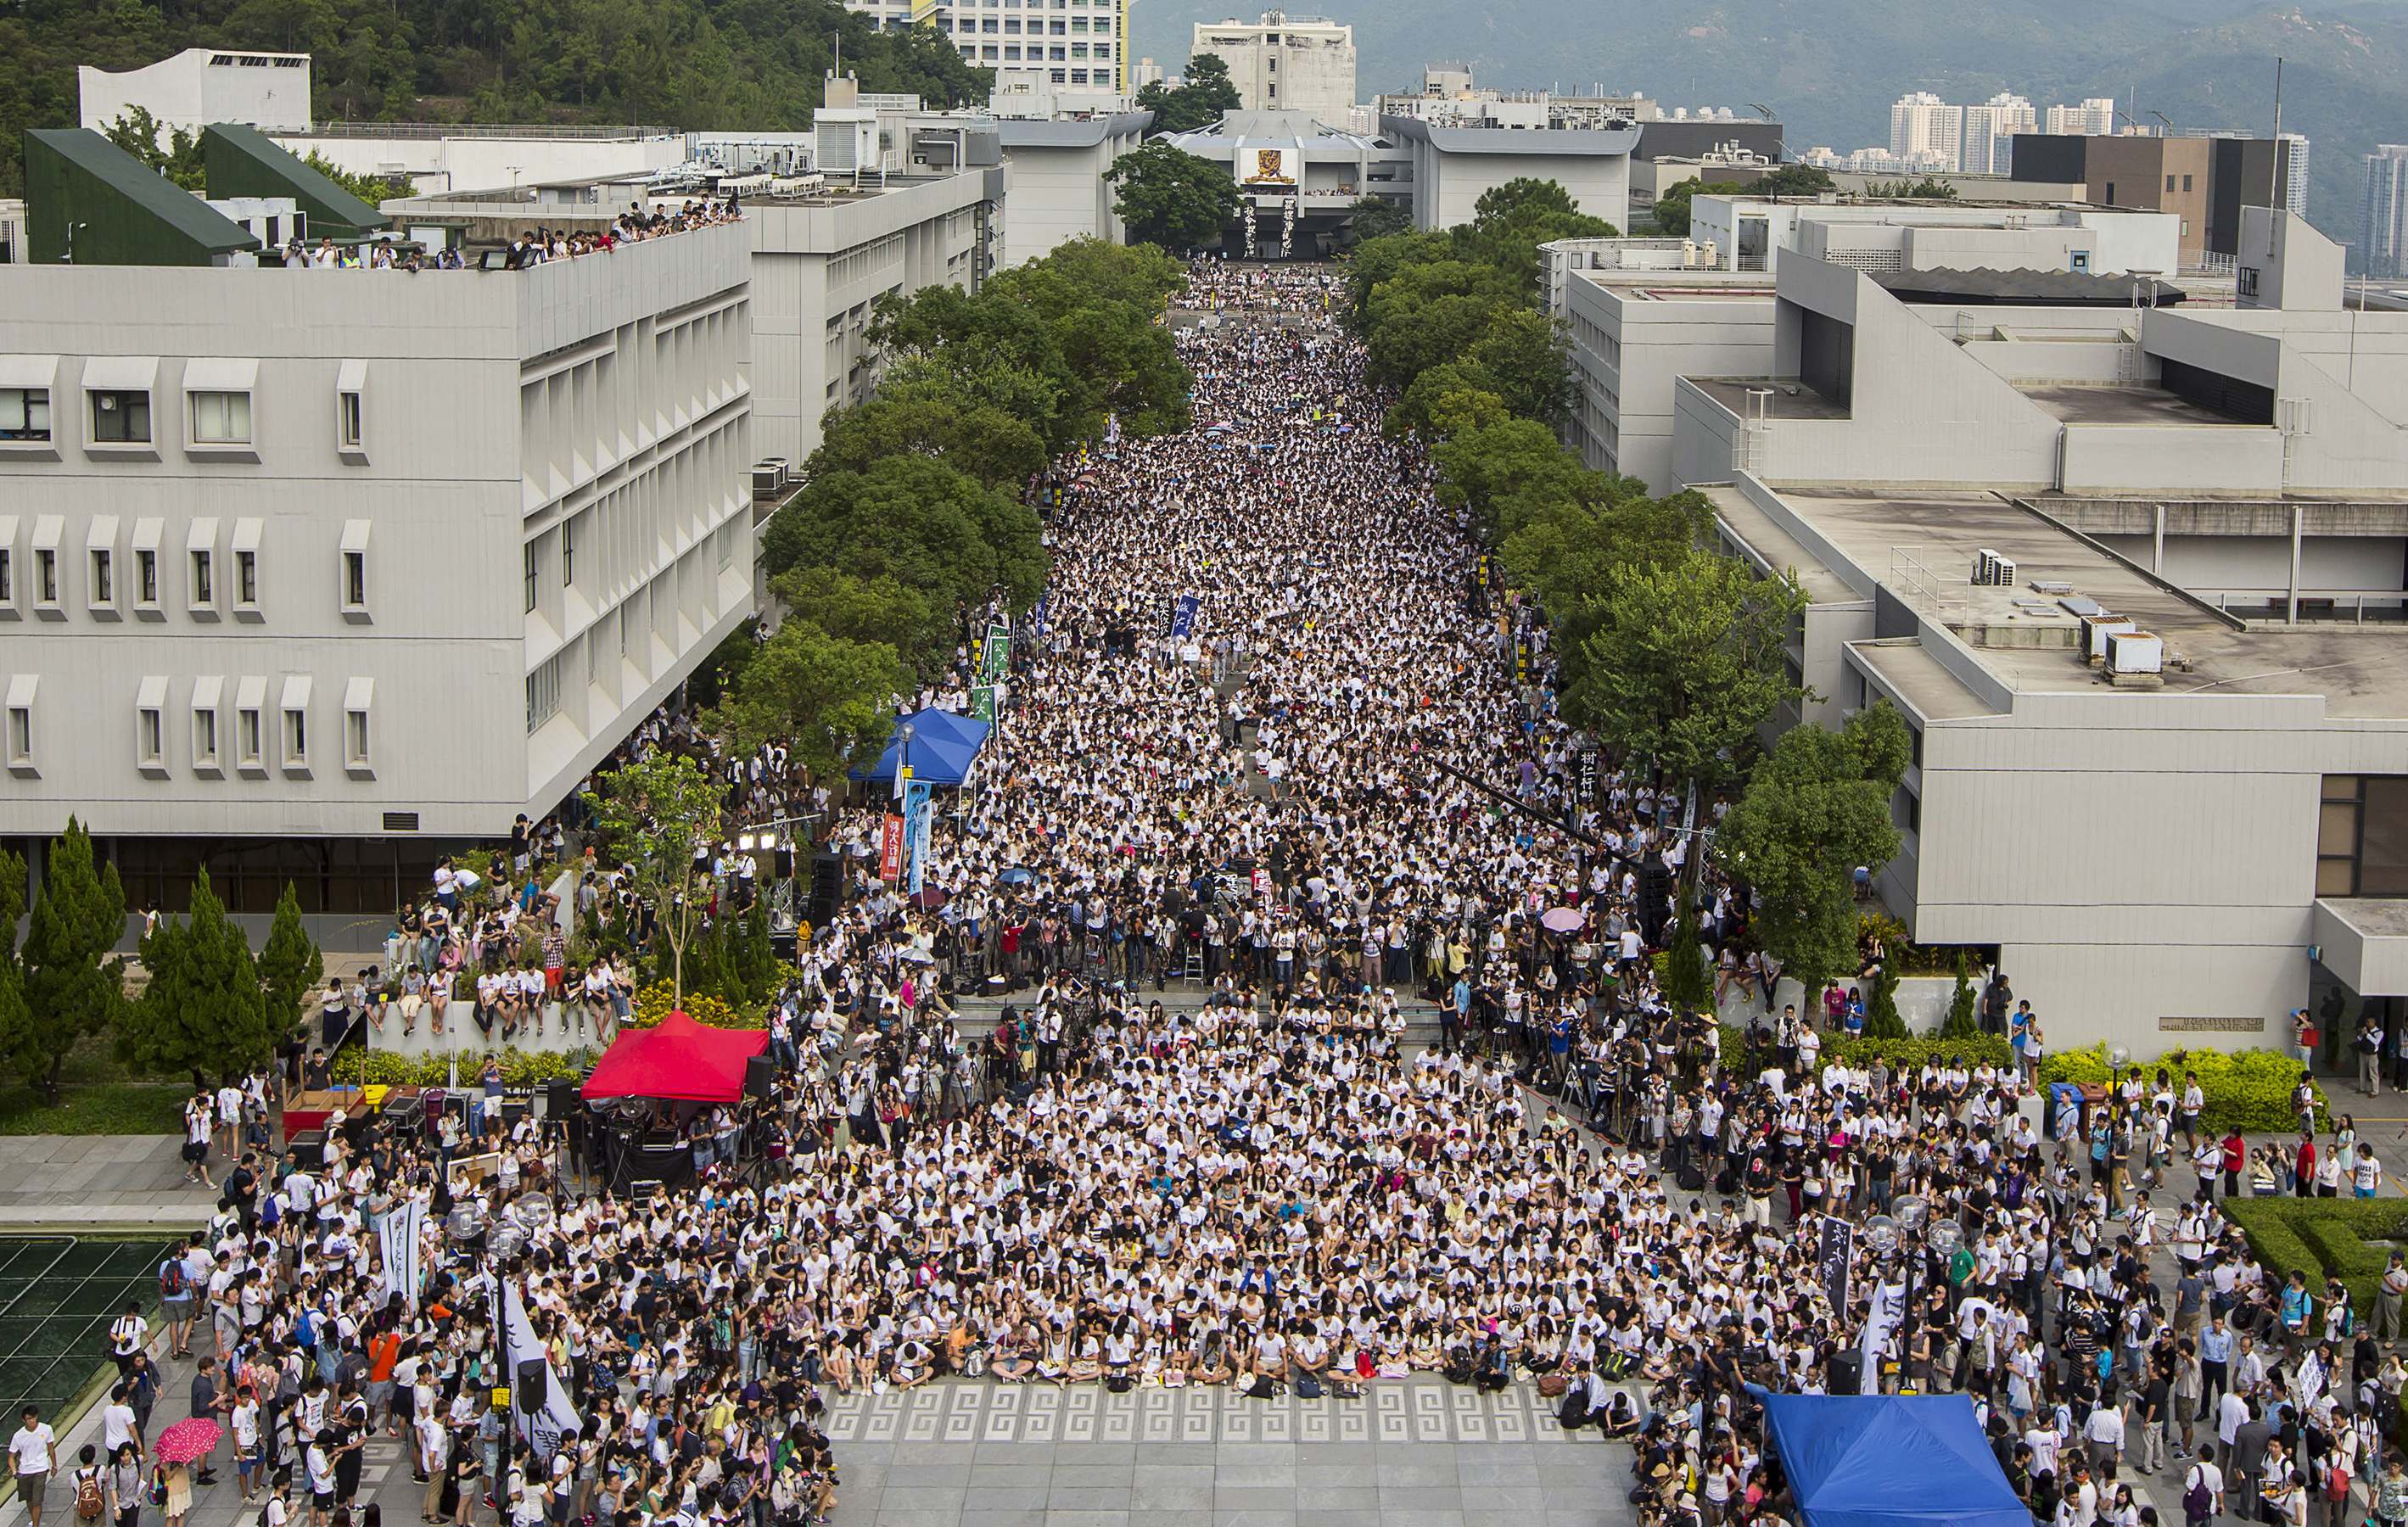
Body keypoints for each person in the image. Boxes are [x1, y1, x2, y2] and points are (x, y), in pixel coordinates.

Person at [11, 1406, 55, 1527]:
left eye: (34, 1418)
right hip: (24, 1470)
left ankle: (35, 1525)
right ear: (23, 1420)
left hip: (41, 1469)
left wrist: (54, 1465)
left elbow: (51, 1448)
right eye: (29, 1419)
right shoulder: (18, 1436)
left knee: (37, 1501)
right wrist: (14, 1470)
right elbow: (11, 1456)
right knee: (29, 1499)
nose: (32, 1421)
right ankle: (35, 1520)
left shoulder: (46, 1429)